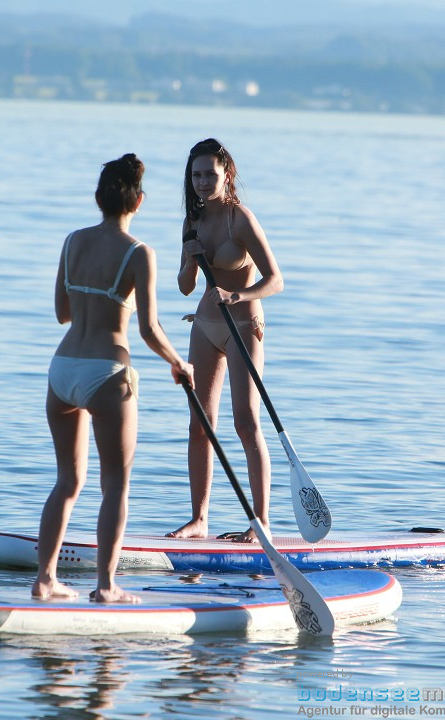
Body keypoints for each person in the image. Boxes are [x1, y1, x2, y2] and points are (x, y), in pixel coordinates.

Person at [33, 153, 194, 603]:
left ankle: (45, 579)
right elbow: (148, 329)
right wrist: (179, 363)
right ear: (138, 202)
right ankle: (105, 586)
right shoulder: (140, 253)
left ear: (97, 198)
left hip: (62, 369)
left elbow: (62, 313)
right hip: (107, 371)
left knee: (67, 481)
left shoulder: (72, 241)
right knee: (115, 486)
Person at [169, 138, 284, 544]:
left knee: (245, 422)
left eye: (210, 175)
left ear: (226, 174)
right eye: (196, 175)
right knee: (200, 424)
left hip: (243, 324)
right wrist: (190, 256)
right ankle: (199, 519)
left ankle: (262, 521)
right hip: (205, 324)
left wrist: (238, 295)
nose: (202, 182)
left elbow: (275, 280)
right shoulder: (192, 222)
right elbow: (185, 287)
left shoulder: (241, 220)